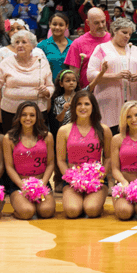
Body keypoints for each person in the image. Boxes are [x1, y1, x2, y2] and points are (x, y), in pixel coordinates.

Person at [54, 90, 111, 218]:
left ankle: (95, 200)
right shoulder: (64, 130)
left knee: (91, 210)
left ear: (93, 107)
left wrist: (100, 176)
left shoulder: (104, 130)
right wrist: (72, 179)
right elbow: (61, 160)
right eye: (79, 104)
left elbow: (108, 157)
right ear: (74, 107)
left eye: (87, 104)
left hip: (97, 179)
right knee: (72, 211)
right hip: (72, 180)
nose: (83, 107)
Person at [86, 18, 137, 134]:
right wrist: (115, 76)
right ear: (114, 31)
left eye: (130, 34)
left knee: (132, 137)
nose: (127, 36)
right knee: (110, 136)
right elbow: (90, 75)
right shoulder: (101, 48)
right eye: (124, 32)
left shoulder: (135, 49)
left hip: (133, 100)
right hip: (108, 102)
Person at [0, 30, 53, 129]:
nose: (20, 45)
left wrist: (47, 91)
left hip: (37, 111)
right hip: (11, 112)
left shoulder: (42, 62)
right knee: (12, 142)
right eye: (17, 42)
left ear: (33, 45)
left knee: (36, 141)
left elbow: (50, 86)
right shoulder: (6, 62)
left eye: (24, 42)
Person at [2, 101, 57, 220]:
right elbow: (9, 167)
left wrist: (43, 183)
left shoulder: (47, 136)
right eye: (24, 115)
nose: (28, 118)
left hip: (41, 182)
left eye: (32, 115)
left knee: (46, 212)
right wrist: (23, 186)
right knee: (27, 212)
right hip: (19, 185)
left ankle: (36, 203)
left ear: (37, 117)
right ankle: (18, 209)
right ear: (18, 117)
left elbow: (50, 163)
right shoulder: (9, 138)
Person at [64, 7, 112, 89]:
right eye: (96, 23)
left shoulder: (113, 39)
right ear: (88, 23)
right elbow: (73, 74)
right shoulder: (77, 43)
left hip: (111, 89)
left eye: (103, 21)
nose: (101, 26)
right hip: (88, 93)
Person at [36, 13, 73, 85]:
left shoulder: (73, 45)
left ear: (67, 26)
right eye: (54, 24)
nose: (57, 27)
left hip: (68, 89)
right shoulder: (41, 46)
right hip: (48, 88)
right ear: (50, 25)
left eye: (61, 25)